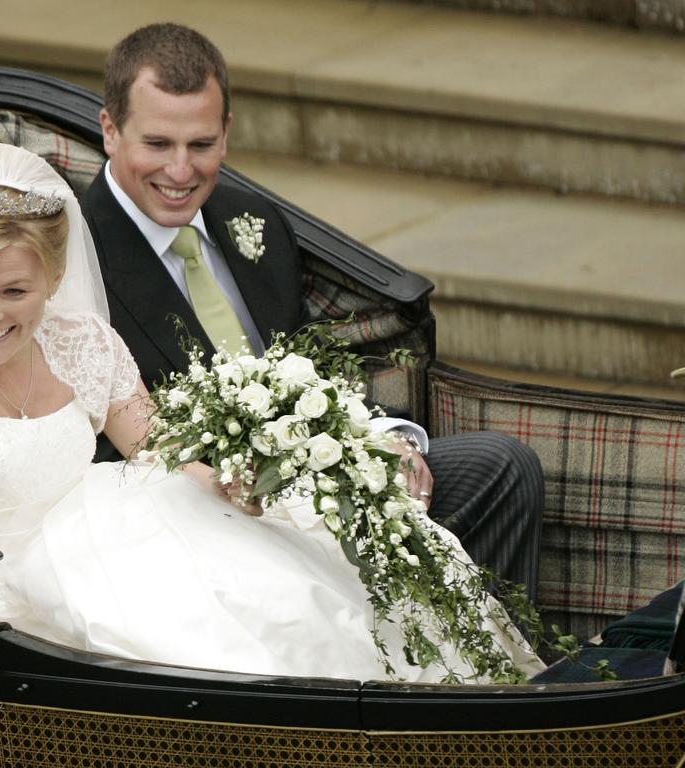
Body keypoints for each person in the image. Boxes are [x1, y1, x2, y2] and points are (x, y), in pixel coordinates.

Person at [0, 142, 543, 683]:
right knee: (211, 642)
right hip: (15, 584)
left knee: (297, 587)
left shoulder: (85, 342)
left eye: (14, 291)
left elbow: (159, 448)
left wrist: (239, 480)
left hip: (114, 531)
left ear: (53, 282)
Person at [82, 23, 545, 601]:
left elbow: (312, 370)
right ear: (110, 130)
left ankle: (497, 684)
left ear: (226, 134)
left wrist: (384, 440)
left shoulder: (256, 221)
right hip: (195, 518)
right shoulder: (74, 250)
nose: (180, 172)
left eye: (200, 145)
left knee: (505, 467)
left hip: (318, 474)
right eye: (158, 145)